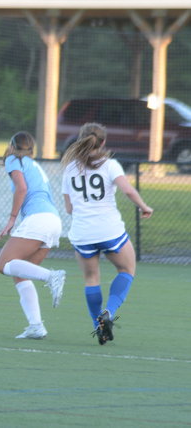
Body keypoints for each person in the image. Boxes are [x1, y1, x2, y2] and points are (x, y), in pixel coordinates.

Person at [61, 123, 153, 345]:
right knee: (127, 269)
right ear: (103, 142)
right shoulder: (110, 164)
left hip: (82, 233)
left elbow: (69, 208)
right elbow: (128, 190)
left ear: (80, 140)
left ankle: (98, 326)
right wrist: (144, 207)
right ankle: (109, 312)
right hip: (109, 230)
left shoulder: (70, 168)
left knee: (91, 278)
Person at [0, 131, 66, 339]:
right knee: (20, 273)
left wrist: (11, 218)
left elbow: (22, 188)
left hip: (39, 220)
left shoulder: (13, 159)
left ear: (12, 146)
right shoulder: (33, 164)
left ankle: (51, 276)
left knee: (3, 264)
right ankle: (36, 326)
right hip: (53, 221)